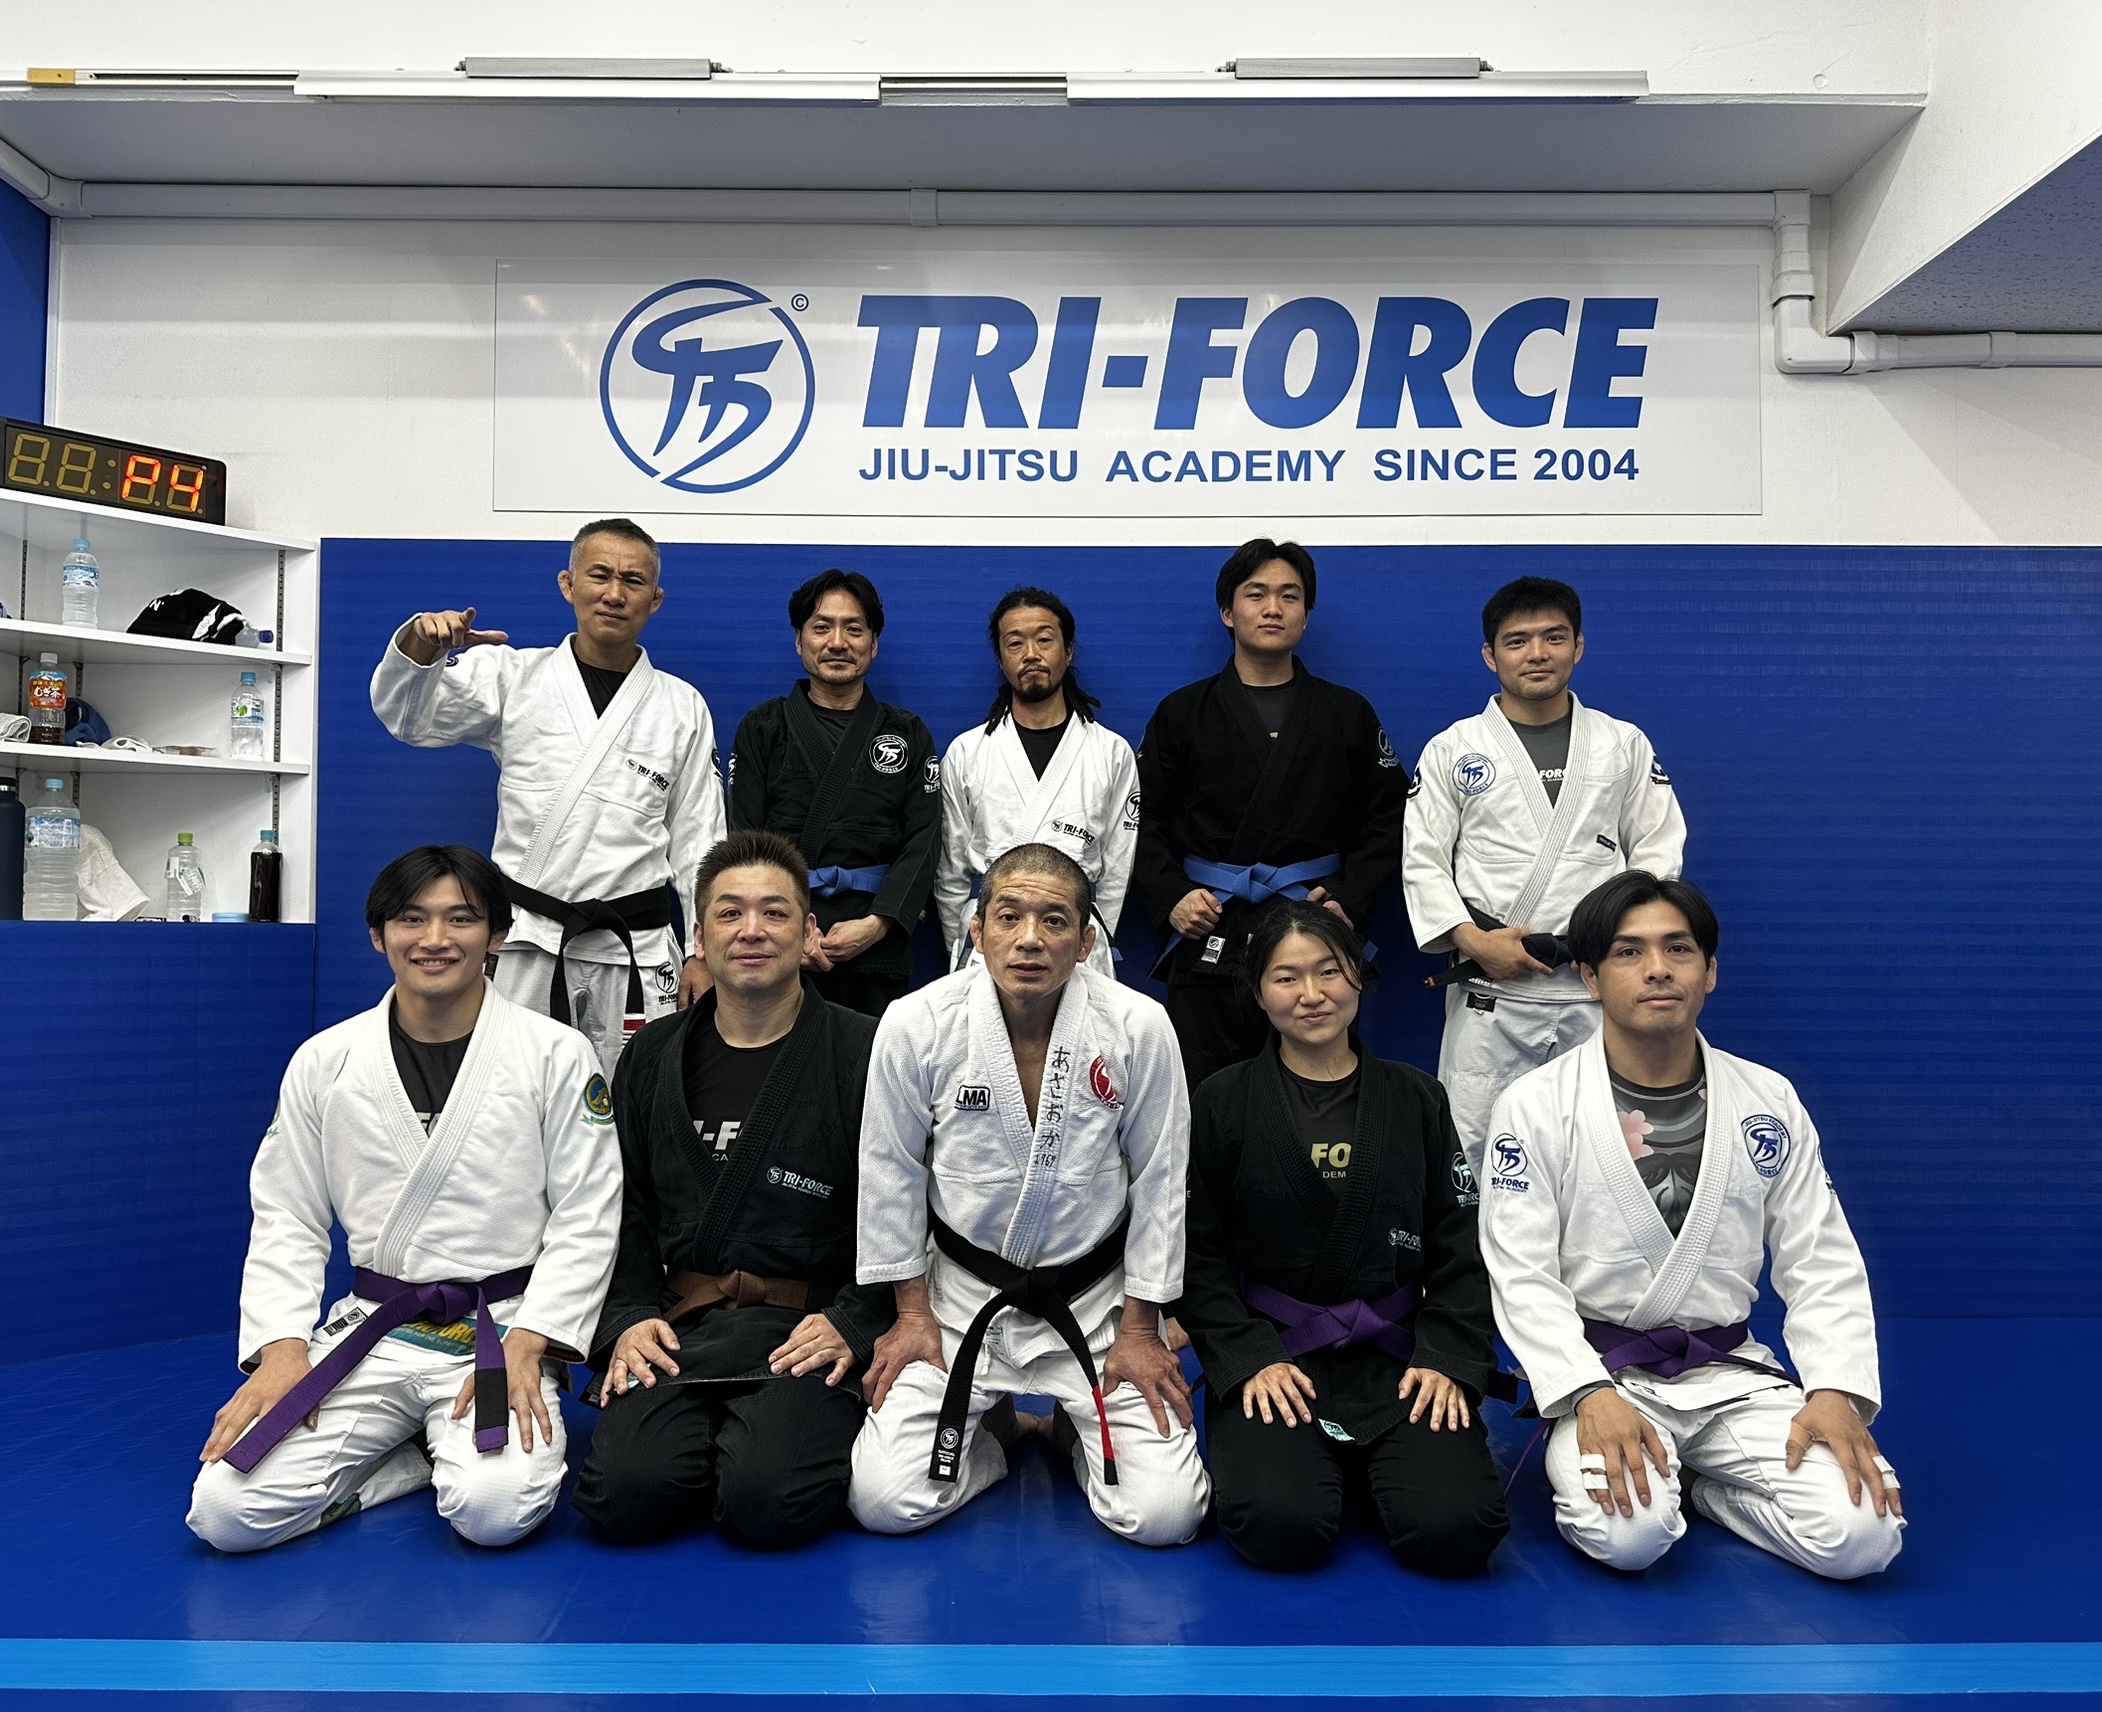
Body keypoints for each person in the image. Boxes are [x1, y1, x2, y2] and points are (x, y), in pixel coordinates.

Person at [187, 845, 621, 1553]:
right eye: (412, 919)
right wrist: (282, 1349)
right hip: (375, 1329)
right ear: (377, 934)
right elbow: (288, 1214)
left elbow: (588, 1212)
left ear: (498, 934)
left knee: (493, 1512)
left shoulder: (555, 1053)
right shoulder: (326, 1060)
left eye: (461, 919)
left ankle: (434, 1452)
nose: (435, 939)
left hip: (500, 1327)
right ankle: (418, 1459)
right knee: (225, 1512)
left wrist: (535, 1338)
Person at [1477, 871, 1904, 1580]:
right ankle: (1635, 1462)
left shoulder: (1767, 1099)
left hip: (1730, 1374)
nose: (1657, 969)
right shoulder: (1535, 1103)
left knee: (1864, 1536)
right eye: (1628, 952)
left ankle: (1704, 1490)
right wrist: (1584, 1393)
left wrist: (1833, 1388)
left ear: (1710, 972)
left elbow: (1820, 1256)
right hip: (1608, 1377)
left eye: (1678, 949)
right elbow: (1520, 1270)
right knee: (1629, 1538)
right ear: (1589, 977)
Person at [848, 843, 1209, 1545]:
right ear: (977, 930)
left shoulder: (1137, 1025)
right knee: (883, 1500)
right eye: (1009, 916)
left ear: (1086, 942)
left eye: (1055, 920)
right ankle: (994, 1436)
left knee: (1166, 1516)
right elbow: (890, 1172)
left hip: (1097, 1305)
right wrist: (911, 1313)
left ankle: (1075, 1434)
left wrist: (1143, 1330)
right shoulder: (916, 1023)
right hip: (959, 1303)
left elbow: (1162, 1180)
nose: (1030, 939)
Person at [571, 830, 894, 1547]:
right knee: (623, 1496)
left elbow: (904, 1209)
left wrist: (856, 1321)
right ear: (699, 936)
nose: (752, 930)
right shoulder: (651, 1055)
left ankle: (747, 1448)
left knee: (770, 1500)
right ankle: (709, 1447)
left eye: (775, 912)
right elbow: (623, 1210)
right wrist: (627, 1318)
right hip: (682, 1327)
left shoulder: (866, 1050)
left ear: (809, 932)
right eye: (729, 912)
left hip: (807, 1331)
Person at [1178, 900, 1509, 1574]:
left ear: (1358, 976)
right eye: (1286, 977)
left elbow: (1460, 1247)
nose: (1312, 994)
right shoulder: (1221, 1101)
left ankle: (1368, 1463)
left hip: (1397, 1358)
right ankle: (1324, 1465)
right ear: (1257, 992)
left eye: (1330, 971)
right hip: (1278, 1356)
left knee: (1457, 1532)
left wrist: (1447, 1357)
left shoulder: (1417, 1097)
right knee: (1277, 1529)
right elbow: (1198, 1255)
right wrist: (1248, 1359)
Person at [370, 517, 727, 1075]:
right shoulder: (513, 676)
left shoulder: (681, 707)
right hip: (527, 942)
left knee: (639, 1096)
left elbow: (700, 841)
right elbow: (408, 719)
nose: (614, 594)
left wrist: (705, 953)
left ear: (655, 599)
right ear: (568, 584)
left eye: (633, 581)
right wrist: (422, 647)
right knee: (512, 1088)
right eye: (599, 575)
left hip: (635, 948)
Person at [1403, 576, 1685, 1172]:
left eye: (1554, 638)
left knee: (1605, 1151)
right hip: (1491, 991)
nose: (1537, 653)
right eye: (1517, 641)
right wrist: (1472, 939)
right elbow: (1422, 859)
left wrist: (1619, 946)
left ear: (1578, 646)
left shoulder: (1622, 744)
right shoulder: (1453, 748)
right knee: (1476, 1151)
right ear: (1491, 655)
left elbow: (1658, 853)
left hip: (1595, 985)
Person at [1136, 539, 1407, 1093]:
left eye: (1289, 596)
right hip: (1212, 929)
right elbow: (1141, 821)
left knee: (1322, 1088)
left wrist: (1349, 899)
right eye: (1256, 594)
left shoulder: (1347, 712)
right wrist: (1171, 896)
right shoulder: (1181, 713)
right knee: (1206, 1097)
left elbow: (1390, 817)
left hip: (1313, 928)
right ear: (1228, 611)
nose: (1273, 608)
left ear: (1306, 614)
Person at [727, 570, 940, 1018]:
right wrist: (788, 930)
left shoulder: (906, 732)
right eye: (822, 627)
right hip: (780, 941)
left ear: (873, 644)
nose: (838, 642)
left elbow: (923, 841)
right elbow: (744, 841)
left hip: (876, 944)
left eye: (854, 629)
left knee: (873, 1060)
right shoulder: (763, 728)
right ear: (799, 640)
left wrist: (878, 923)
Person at [934, 587, 1138, 980]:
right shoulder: (967, 752)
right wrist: (967, 941)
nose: (1031, 654)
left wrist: (1089, 939)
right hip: (991, 935)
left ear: (1068, 651)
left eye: (1044, 640)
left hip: (1075, 933)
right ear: (1001, 659)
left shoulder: (1111, 752)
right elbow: (951, 869)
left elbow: (1117, 868)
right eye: (1015, 643)